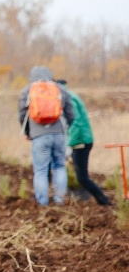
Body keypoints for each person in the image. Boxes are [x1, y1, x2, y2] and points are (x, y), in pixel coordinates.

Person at [18, 67, 75, 205]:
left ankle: (42, 203)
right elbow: (71, 114)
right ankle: (59, 200)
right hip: (59, 134)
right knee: (59, 166)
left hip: (39, 136)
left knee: (41, 170)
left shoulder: (28, 90)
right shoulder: (60, 89)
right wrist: (64, 128)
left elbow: (22, 114)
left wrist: (28, 132)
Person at [56, 80, 111, 205]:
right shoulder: (71, 95)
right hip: (82, 140)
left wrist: (69, 144)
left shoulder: (68, 98)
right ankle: (101, 200)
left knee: (82, 177)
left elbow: (75, 122)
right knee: (80, 175)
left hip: (80, 141)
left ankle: (104, 201)